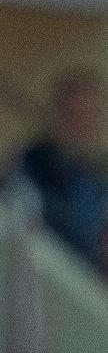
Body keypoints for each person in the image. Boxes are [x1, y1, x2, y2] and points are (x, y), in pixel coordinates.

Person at [18, 70, 108, 267]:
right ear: (57, 114)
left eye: (90, 118)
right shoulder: (30, 162)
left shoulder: (97, 186)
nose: (82, 128)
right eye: (75, 116)